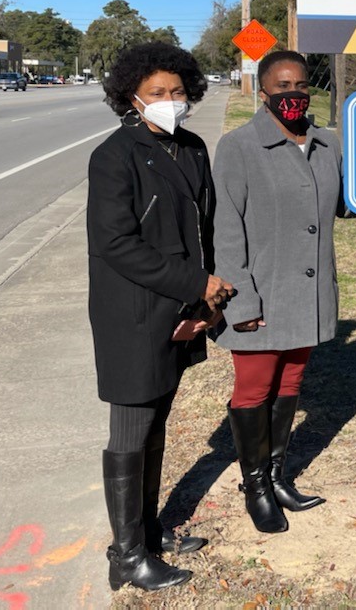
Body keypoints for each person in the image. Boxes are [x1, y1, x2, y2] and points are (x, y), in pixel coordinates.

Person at [87, 42, 233, 592]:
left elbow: (206, 228)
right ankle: (126, 556)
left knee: (157, 426)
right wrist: (196, 282)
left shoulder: (192, 148)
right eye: (157, 93)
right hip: (132, 315)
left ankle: (149, 531)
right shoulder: (114, 155)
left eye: (177, 92)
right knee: (131, 428)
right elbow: (115, 244)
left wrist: (206, 301)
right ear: (132, 96)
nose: (170, 101)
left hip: (182, 309)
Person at [212, 50, 345, 533]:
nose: (293, 94)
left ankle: (276, 476)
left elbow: (348, 203)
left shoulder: (327, 144)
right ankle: (256, 489)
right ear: (263, 92)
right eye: (282, 86)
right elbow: (226, 231)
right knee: (254, 389)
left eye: (301, 85)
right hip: (261, 296)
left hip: (306, 295)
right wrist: (241, 302)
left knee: (289, 386)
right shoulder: (240, 147)